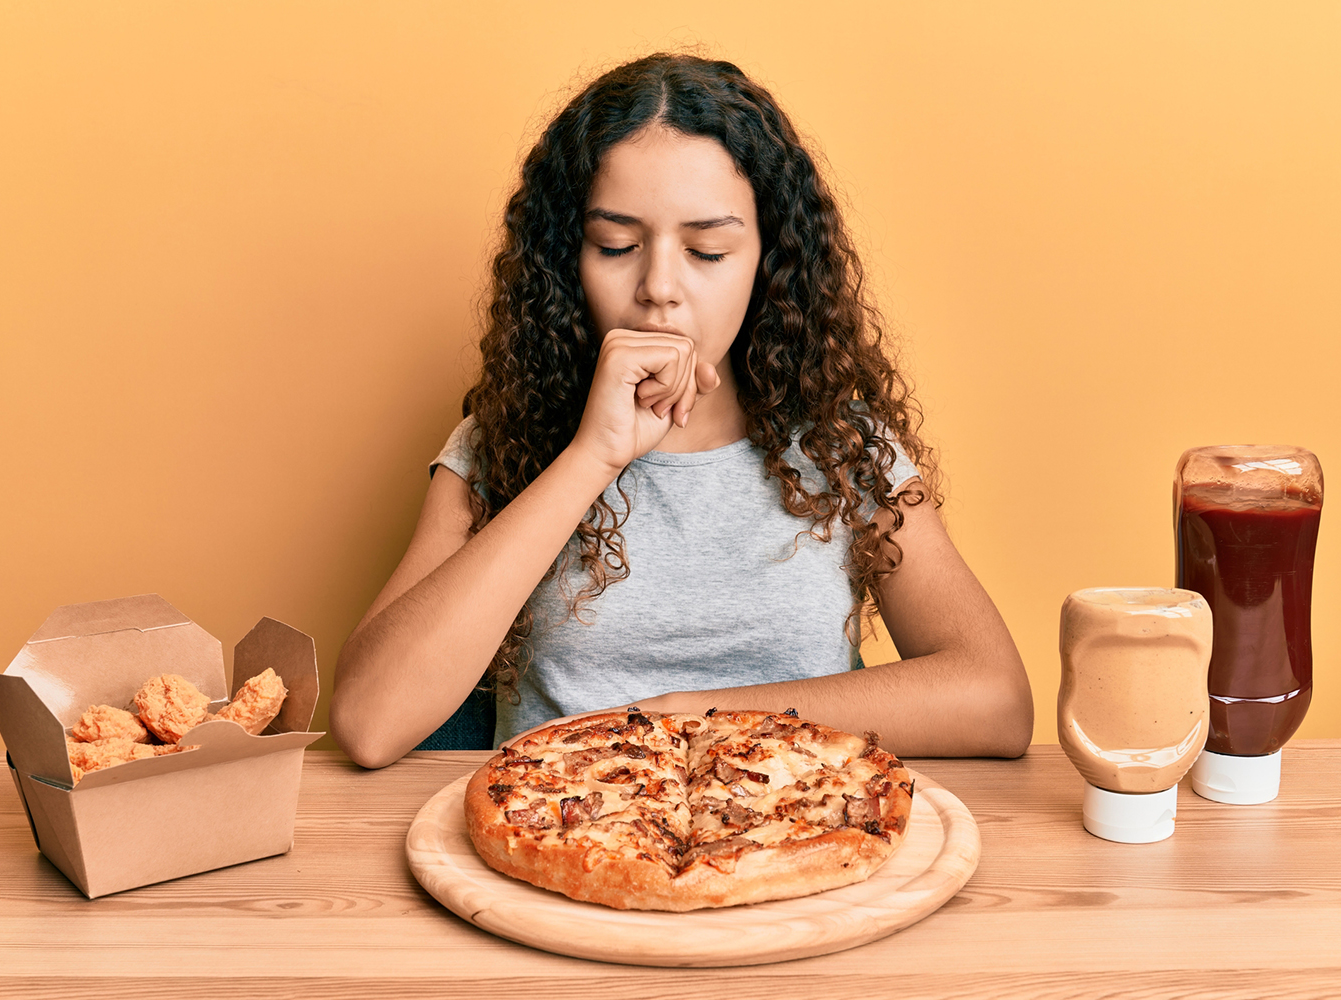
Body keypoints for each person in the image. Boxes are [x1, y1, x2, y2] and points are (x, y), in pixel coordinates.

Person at [330, 53, 1033, 768]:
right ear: (567, 258)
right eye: (618, 246)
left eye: (708, 250)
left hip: (790, 828)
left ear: (768, 261)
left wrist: (703, 717)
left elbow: (995, 700)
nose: (659, 287)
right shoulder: (500, 443)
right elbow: (368, 722)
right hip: (560, 825)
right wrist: (591, 457)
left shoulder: (841, 447)